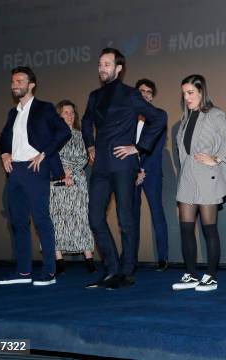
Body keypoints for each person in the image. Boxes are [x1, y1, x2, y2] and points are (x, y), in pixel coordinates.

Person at [82, 48, 167, 290]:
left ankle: (127, 272)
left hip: (123, 165)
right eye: (100, 64)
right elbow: (87, 120)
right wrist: (90, 145)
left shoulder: (130, 95)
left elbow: (159, 117)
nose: (102, 68)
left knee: (126, 220)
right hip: (100, 167)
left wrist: (138, 148)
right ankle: (111, 269)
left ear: (119, 69)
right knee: (95, 218)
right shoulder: (94, 96)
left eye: (107, 64)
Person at [0, 66, 71, 286]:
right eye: (13, 81)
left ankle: (49, 272)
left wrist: (45, 154)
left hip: (35, 168)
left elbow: (64, 132)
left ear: (31, 85)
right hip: (15, 171)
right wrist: (4, 153)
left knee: (41, 220)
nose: (15, 85)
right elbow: (3, 137)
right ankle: (23, 273)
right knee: (18, 222)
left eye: (19, 81)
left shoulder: (44, 108)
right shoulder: (13, 112)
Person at [171, 74, 226, 292]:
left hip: (207, 178)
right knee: (186, 229)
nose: (187, 97)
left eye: (190, 93)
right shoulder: (184, 120)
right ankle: (191, 274)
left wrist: (217, 159)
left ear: (201, 92)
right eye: (184, 93)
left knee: (209, 229)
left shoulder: (214, 114)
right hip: (188, 178)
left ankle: (211, 275)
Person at [50, 100, 96, 275]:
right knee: (58, 219)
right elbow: (50, 155)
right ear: (59, 115)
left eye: (72, 112)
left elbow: (85, 157)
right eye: (66, 112)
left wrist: (71, 170)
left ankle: (89, 259)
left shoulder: (81, 135)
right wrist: (63, 171)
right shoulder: (52, 136)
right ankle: (59, 260)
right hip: (58, 181)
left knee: (81, 218)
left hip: (77, 181)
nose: (70, 115)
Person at [133, 78, 169, 271]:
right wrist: (133, 170)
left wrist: (143, 170)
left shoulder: (158, 117)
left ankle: (163, 258)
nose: (145, 94)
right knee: (131, 217)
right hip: (130, 174)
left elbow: (156, 148)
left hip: (151, 172)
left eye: (148, 91)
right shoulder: (128, 119)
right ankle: (131, 259)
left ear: (152, 96)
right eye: (141, 91)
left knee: (157, 214)